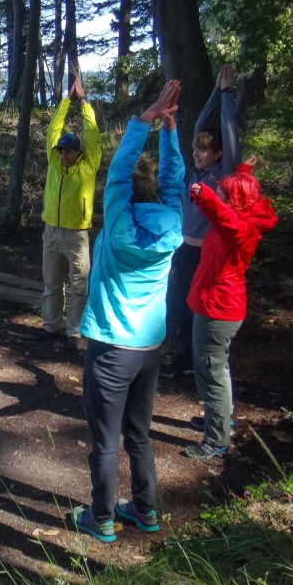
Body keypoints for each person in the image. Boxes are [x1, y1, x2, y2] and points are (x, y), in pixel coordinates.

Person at [71, 80, 185, 543]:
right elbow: (175, 182)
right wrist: (170, 134)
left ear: (127, 195)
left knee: (105, 440)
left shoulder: (117, 221)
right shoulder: (174, 222)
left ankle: (100, 519)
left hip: (111, 347)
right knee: (139, 434)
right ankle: (145, 510)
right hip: (149, 347)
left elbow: (116, 174)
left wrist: (145, 120)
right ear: (156, 192)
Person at [182, 158, 277, 460]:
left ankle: (216, 439)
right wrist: (244, 171)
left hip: (218, 310)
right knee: (213, 368)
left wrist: (203, 193)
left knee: (212, 372)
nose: (220, 195)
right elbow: (229, 206)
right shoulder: (246, 215)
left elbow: (222, 216)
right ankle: (218, 419)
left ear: (234, 201)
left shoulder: (238, 228)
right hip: (215, 305)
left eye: (224, 194)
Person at [162, 64, 241, 377]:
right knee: (179, 306)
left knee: (203, 309)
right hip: (184, 249)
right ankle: (181, 361)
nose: (197, 154)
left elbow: (230, 133)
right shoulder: (196, 171)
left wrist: (227, 95)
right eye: (196, 150)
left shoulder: (223, 176)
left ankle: (203, 364)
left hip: (209, 255)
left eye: (204, 151)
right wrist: (215, 91)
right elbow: (199, 125)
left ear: (219, 154)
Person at [40, 73, 102, 352]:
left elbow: (92, 134)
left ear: (79, 152)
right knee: (52, 284)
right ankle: (50, 327)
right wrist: (66, 100)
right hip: (51, 231)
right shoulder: (54, 163)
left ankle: (74, 332)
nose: (64, 155)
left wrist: (84, 101)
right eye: (62, 151)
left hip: (77, 234)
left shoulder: (88, 166)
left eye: (69, 151)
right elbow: (54, 130)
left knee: (79, 284)